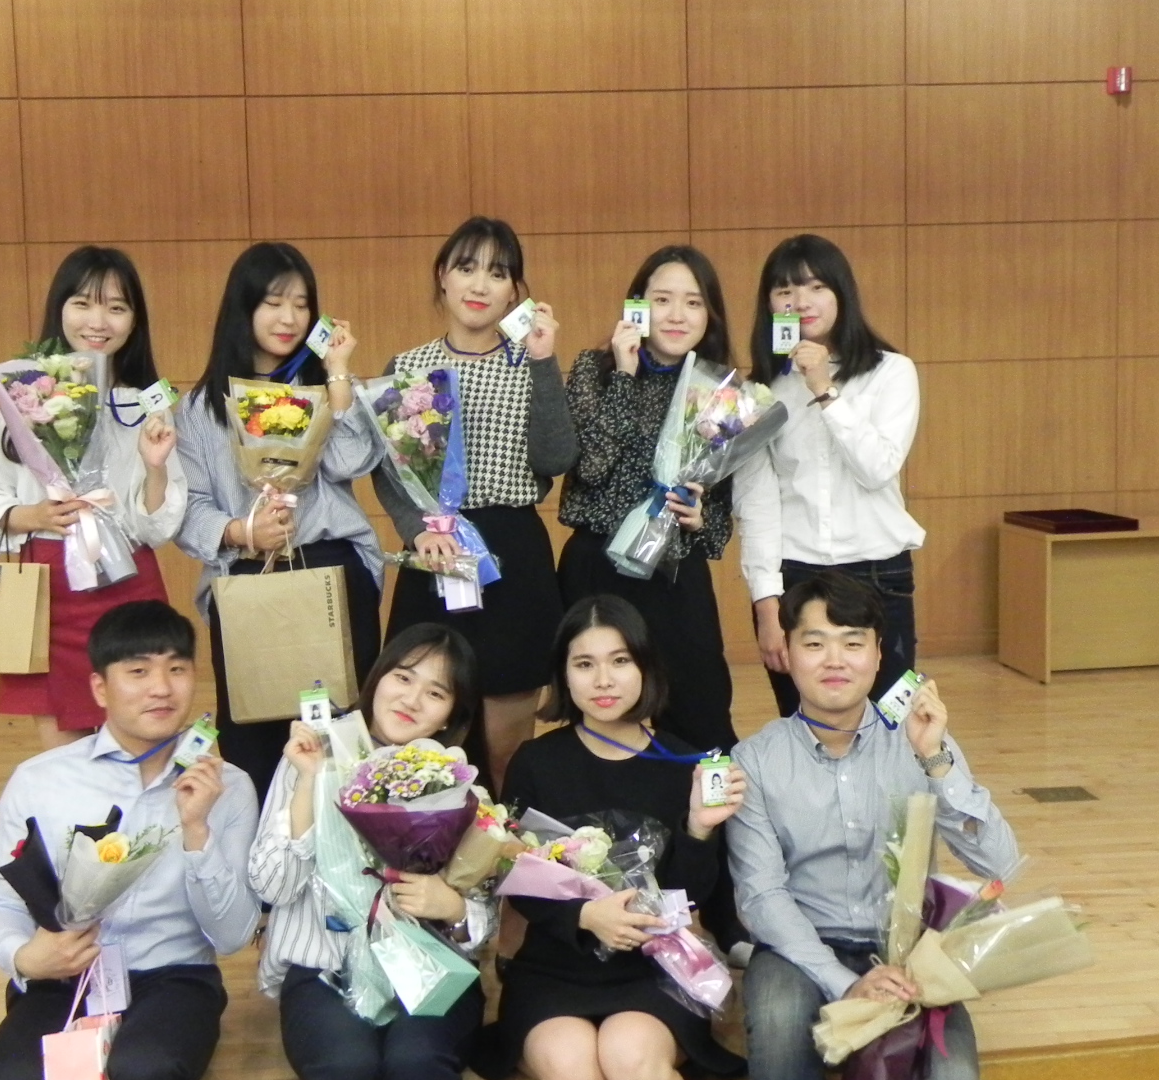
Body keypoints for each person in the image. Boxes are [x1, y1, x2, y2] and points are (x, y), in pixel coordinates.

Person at [725, 573, 1020, 1080]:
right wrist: (841, 980)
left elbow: (1000, 863)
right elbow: (761, 898)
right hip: (804, 944)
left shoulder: (918, 739)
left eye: (852, 643)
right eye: (814, 642)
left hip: (906, 948)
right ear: (784, 655)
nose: (835, 660)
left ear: (879, 654)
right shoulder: (754, 759)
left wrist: (937, 760)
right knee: (779, 1019)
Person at [0, 600, 259, 1080]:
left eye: (177, 669)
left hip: (173, 977)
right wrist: (24, 956)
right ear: (100, 687)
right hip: (64, 976)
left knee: (146, 1074)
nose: (161, 688)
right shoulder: (40, 779)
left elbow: (231, 936)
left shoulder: (227, 786)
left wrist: (196, 830)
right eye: (138, 671)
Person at [479, 595, 747, 1080]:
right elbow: (517, 876)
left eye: (620, 661)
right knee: (569, 1062)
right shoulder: (536, 760)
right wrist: (584, 916)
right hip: (556, 966)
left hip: (654, 964)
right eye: (584, 664)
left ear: (646, 668)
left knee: (629, 1054)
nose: (603, 680)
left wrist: (698, 829)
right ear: (562, 677)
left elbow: (698, 894)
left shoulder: (685, 759)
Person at [249, 624, 494, 1080]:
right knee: (346, 1063)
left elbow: (486, 921)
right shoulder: (313, 753)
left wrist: (453, 905)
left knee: (417, 1059)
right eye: (403, 677)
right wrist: (308, 784)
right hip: (325, 965)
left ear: (452, 715)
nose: (412, 698)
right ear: (376, 677)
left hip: (428, 965)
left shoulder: (458, 783)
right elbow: (270, 883)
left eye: (436, 692)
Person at [176, 241, 384, 797]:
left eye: (301, 303)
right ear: (243, 309)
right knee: (255, 746)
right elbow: (188, 507)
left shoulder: (325, 389)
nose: (289, 317)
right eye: (273, 302)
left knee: (343, 743)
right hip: (249, 578)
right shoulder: (199, 409)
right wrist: (244, 531)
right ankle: (265, 852)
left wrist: (337, 373)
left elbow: (351, 462)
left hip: (331, 571)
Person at [373, 217, 577, 780]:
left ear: (515, 291)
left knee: (506, 741)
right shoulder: (407, 367)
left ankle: (502, 833)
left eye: (497, 272)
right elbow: (389, 471)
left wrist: (544, 361)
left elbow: (556, 457)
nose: (480, 284)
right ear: (442, 276)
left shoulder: (530, 359)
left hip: (512, 555)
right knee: (419, 727)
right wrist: (417, 529)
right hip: (435, 551)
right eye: (466, 267)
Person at [0, 247, 187, 748]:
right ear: (60, 309)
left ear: (135, 320)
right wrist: (34, 515)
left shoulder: (146, 402)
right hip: (47, 588)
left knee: (142, 745)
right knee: (62, 759)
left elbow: (156, 527)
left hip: (126, 581)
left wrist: (154, 468)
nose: (98, 321)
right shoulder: (23, 396)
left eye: (116, 307)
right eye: (83, 303)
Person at [557, 244, 739, 754]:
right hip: (599, 569)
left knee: (701, 713)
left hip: (675, 573)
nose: (677, 315)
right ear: (638, 306)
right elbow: (589, 469)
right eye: (662, 300)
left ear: (710, 314)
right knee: (603, 719)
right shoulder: (594, 369)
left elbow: (719, 526)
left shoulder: (720, 391)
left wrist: (700, 518)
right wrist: (623, 374)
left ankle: (700, 805)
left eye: (693, 302)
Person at [733, 234, 921, 713]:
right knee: (803, 721)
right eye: (785, 290)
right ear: (769, 304)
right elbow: (757, 505)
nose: (800, 302)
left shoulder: (891, 372)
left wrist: (823, 387)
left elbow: (877, 468)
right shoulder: (762, 391)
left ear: (841, 293)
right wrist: (766, 605)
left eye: (816, 287)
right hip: (795, 575)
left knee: (893, 717)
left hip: (878, 572)